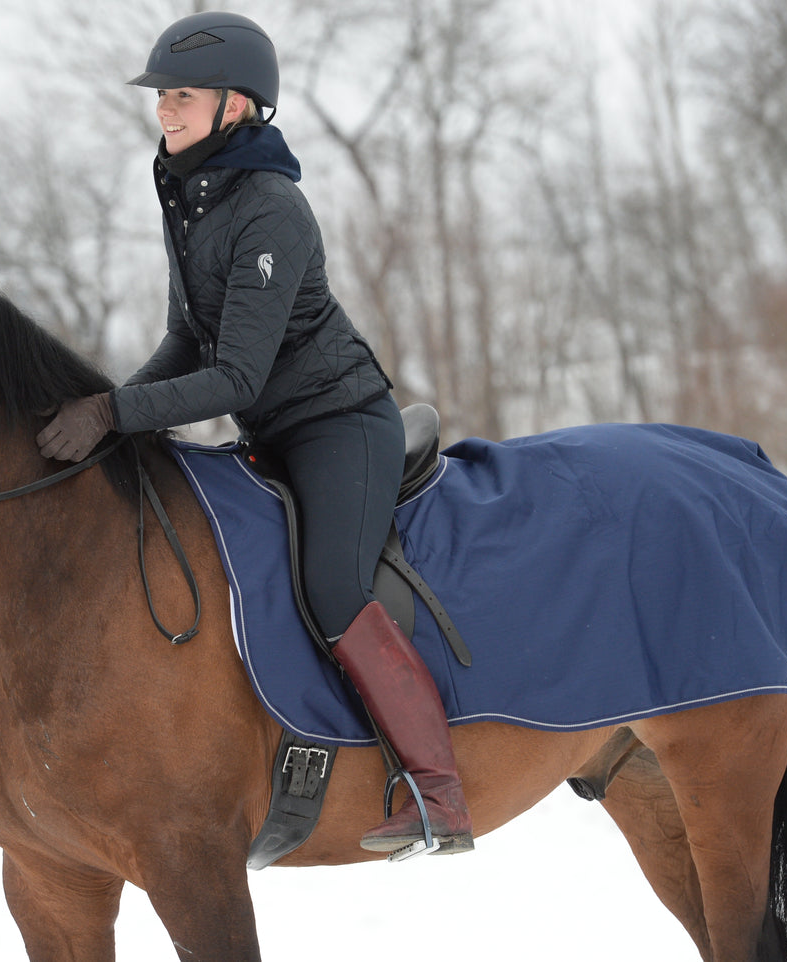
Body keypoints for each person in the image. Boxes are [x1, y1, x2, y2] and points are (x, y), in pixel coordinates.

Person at [36, 11, 472, 856]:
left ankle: (439, 794)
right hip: (270, 428)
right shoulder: (183, 190)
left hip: (337, 423)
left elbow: (233, 376)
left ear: (236, 106)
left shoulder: (270, 207)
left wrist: (114, 415)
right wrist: (108, 408)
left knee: (332, 589)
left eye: (183, 96)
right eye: (162, 95)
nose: (165, 109)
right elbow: (185, 338)